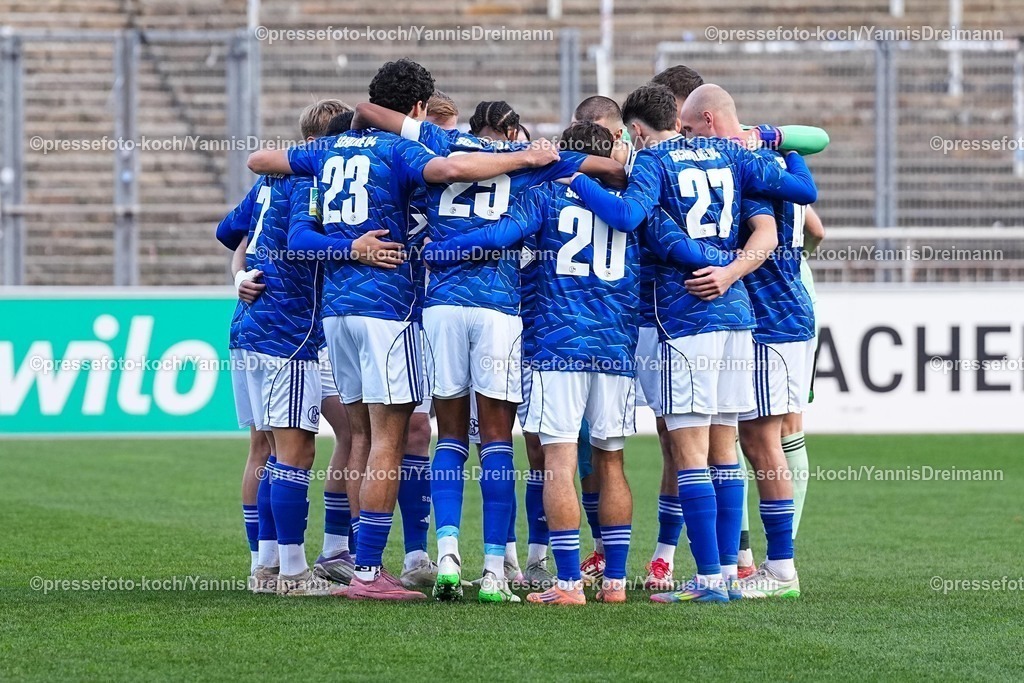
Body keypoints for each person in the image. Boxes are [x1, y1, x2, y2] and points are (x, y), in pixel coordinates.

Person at [247, 59, 561, 600]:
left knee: (361, 435)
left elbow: (259, 158)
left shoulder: (328, 149)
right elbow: (448, 172)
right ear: (415, 110)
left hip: (337, 312)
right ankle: (368, 573)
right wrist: (528, 155)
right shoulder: (400, 149)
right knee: (389, 437)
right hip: (389, 309)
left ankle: (348, 557)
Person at [566, 83, 817, 603]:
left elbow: (629, 217)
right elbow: (803, 192)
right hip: (738, 318)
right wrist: (783, 145)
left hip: (684, 319)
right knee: (725, 449)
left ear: (636, 131)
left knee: (689, 453)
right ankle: (728, 570)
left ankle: (706, 581)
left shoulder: (652, 164)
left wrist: (575, 177)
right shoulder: (731, 153)